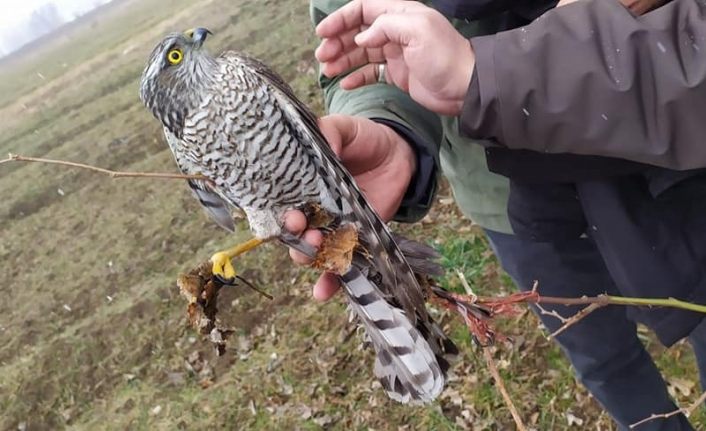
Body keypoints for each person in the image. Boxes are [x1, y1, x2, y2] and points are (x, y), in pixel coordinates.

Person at [284, 0, 706, 429]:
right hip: (505, 192)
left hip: (653, 142)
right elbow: (356, 35)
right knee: (602, 354)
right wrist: (388, 124)